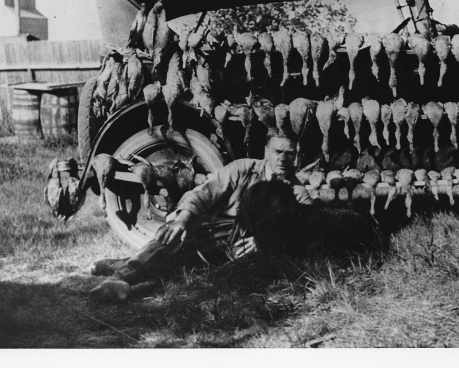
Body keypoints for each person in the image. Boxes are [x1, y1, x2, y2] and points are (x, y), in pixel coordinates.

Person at [89, 129, 312, 302]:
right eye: (278, 152)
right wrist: (183, 219)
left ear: (296, 155)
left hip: (240, 251)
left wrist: (266, 241)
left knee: (175, 266)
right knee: (173, 236)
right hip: (212, 229)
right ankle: (119, 279)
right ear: (266, 151)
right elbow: (204, 192)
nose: (283, 159)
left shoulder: (297, 191)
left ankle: (121, 264)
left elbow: (306, 230)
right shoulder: (243, 169)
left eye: (289, 153)